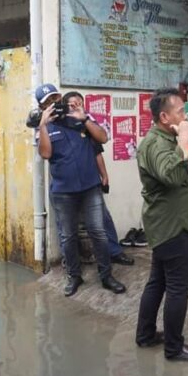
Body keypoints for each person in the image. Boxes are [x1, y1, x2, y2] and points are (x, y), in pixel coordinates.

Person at [135, 88, 188, 362]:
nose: (185, 114)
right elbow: (170, 173)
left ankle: (145, 335)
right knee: (178, 286)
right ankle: (174, 348)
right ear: (165, 117)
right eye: (180, 110)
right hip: (174, 226)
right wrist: (185, 139)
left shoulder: (162, 138)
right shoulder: (158, 143)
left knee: (158, 281)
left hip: (169, 225)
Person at [37, 87, 126, 297]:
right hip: (63, 192)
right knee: (68, 236)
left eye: (56, 97)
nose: (55, 102)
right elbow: (46, 153)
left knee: (98, 232)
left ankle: (106, 276)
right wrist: (42, 124)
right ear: (42, 106)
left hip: (90, 188)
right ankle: (74, 276)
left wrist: (84, 118)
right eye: (49, 101)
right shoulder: (44, 127)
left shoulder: (82, 120)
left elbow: (103, 139)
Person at [92, 146, 135, 265]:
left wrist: (104, 175)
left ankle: (114, 252)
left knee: (104, 219)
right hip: (64, 187)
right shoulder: (52, 128)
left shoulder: (87, 128)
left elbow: (97, 153)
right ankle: (70, 262)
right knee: (67, 228)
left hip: (89, 186)